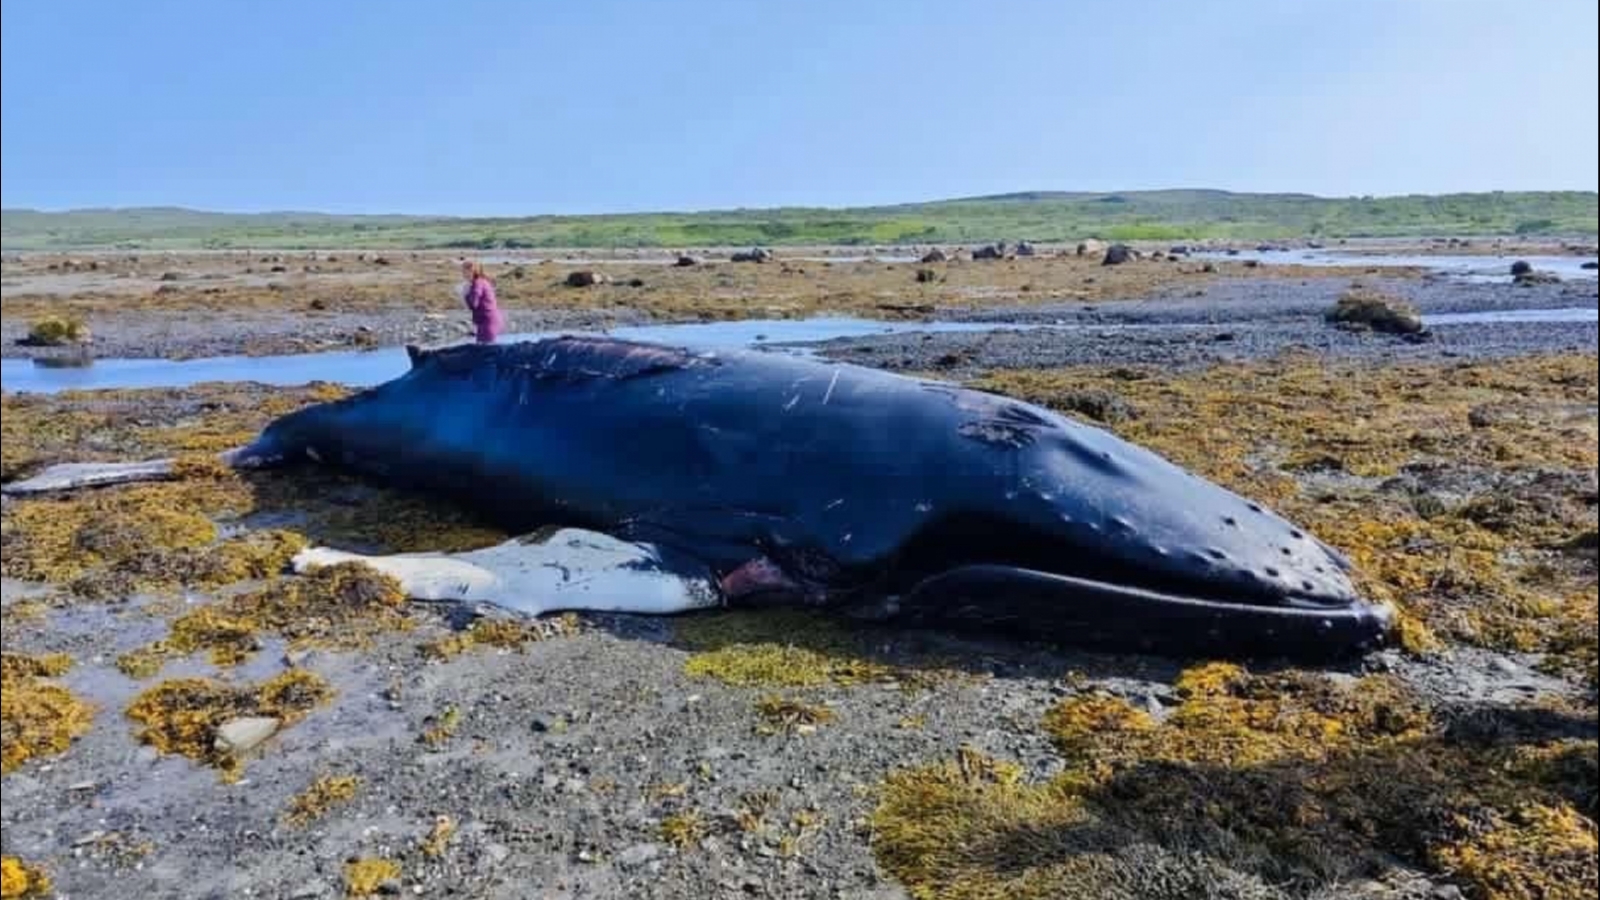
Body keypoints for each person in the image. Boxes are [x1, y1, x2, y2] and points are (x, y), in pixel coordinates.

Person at [460, 260, 503, 344]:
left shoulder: (477, 283)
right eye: (463, 271)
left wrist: (465, 294)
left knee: (485, 350)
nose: (463, 274)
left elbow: (473, 304)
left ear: (472, 271)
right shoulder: (481, 281)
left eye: (465, 271)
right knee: (484, 350)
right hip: (487, 321)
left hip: (488, 322)